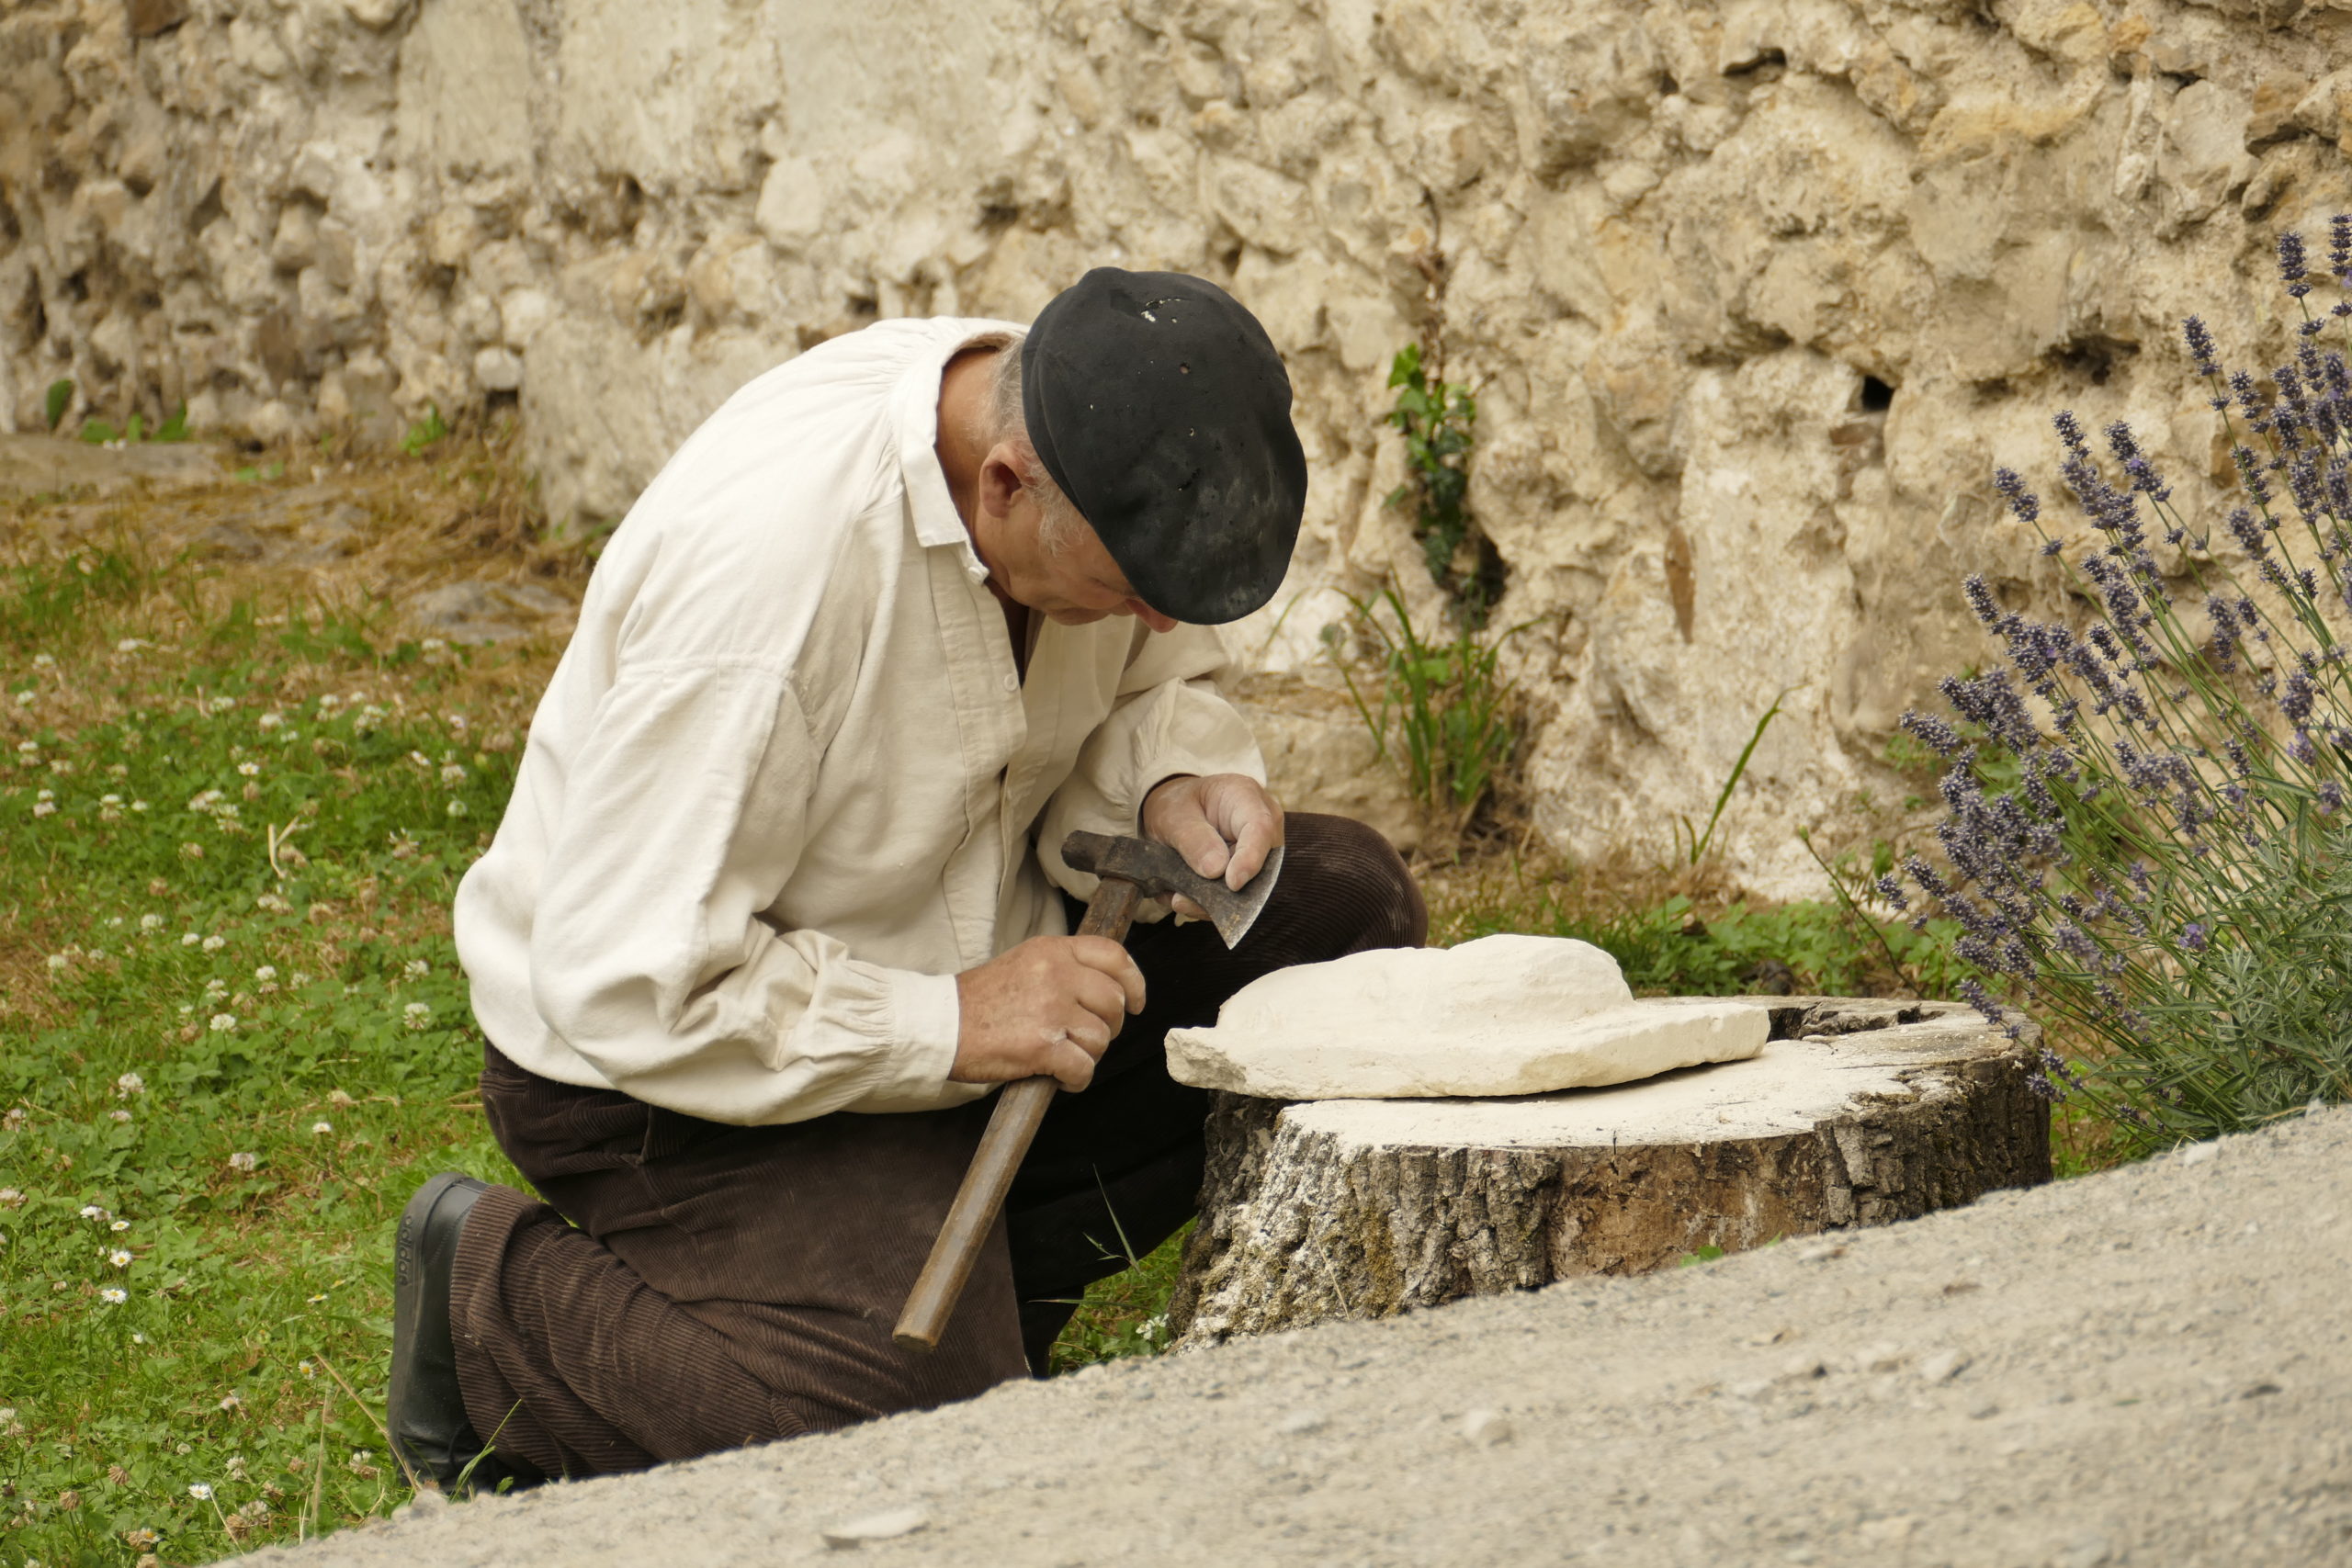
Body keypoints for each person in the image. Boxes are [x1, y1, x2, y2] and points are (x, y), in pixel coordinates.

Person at [386, 268, 1427, 1489]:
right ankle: (492, 1313)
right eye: (1127, 594)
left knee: (1343, 907)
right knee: (929, 1440)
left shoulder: (1084, 453)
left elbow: (1139, 696)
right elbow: (625, 976)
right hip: (670, 1075)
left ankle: (976, 1278)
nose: (1152, 625)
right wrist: (948, 1020)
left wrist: (1167, 780)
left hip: (968, 995)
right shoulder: (770, 585)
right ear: (1004, 486)